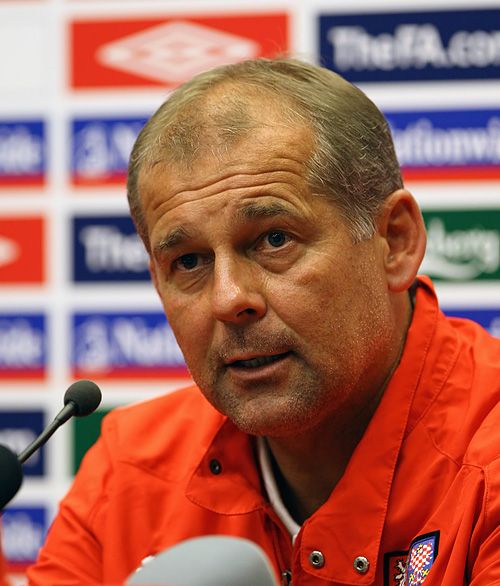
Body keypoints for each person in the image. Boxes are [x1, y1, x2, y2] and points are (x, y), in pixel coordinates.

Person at [28, 58, 499, 586]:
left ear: (395, 242)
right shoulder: (130, 469)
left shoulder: (489, 454)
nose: (229, 299)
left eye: (275, 239)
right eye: (188, 261)